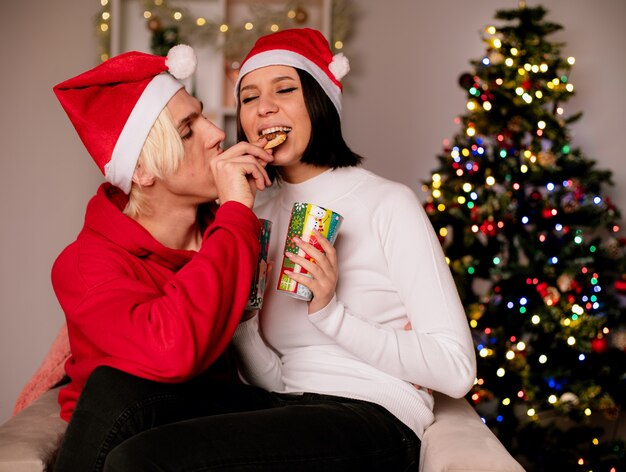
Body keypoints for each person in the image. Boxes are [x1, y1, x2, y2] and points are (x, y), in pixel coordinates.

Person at [96, 28, 477, 471]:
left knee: (142, 461)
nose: (265, 107)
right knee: (120, 400)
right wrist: (244, 318)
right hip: (280, 405)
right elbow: (278, 375)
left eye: (285, 90)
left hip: (371, 416)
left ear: (320, 101)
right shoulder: (252, 212)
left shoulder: (386, 202)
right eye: (249, 96)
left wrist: (331, 313)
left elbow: (456, 369)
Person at [50, 45, 274, 471]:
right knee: (113, 387)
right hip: (133, 428)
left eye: (203, 116)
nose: (216, 134)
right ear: (141, 171)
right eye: (188, 131)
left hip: (216, 422)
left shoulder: (230, 224)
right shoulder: (85, 265)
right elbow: (172, 351)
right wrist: (235, 215)